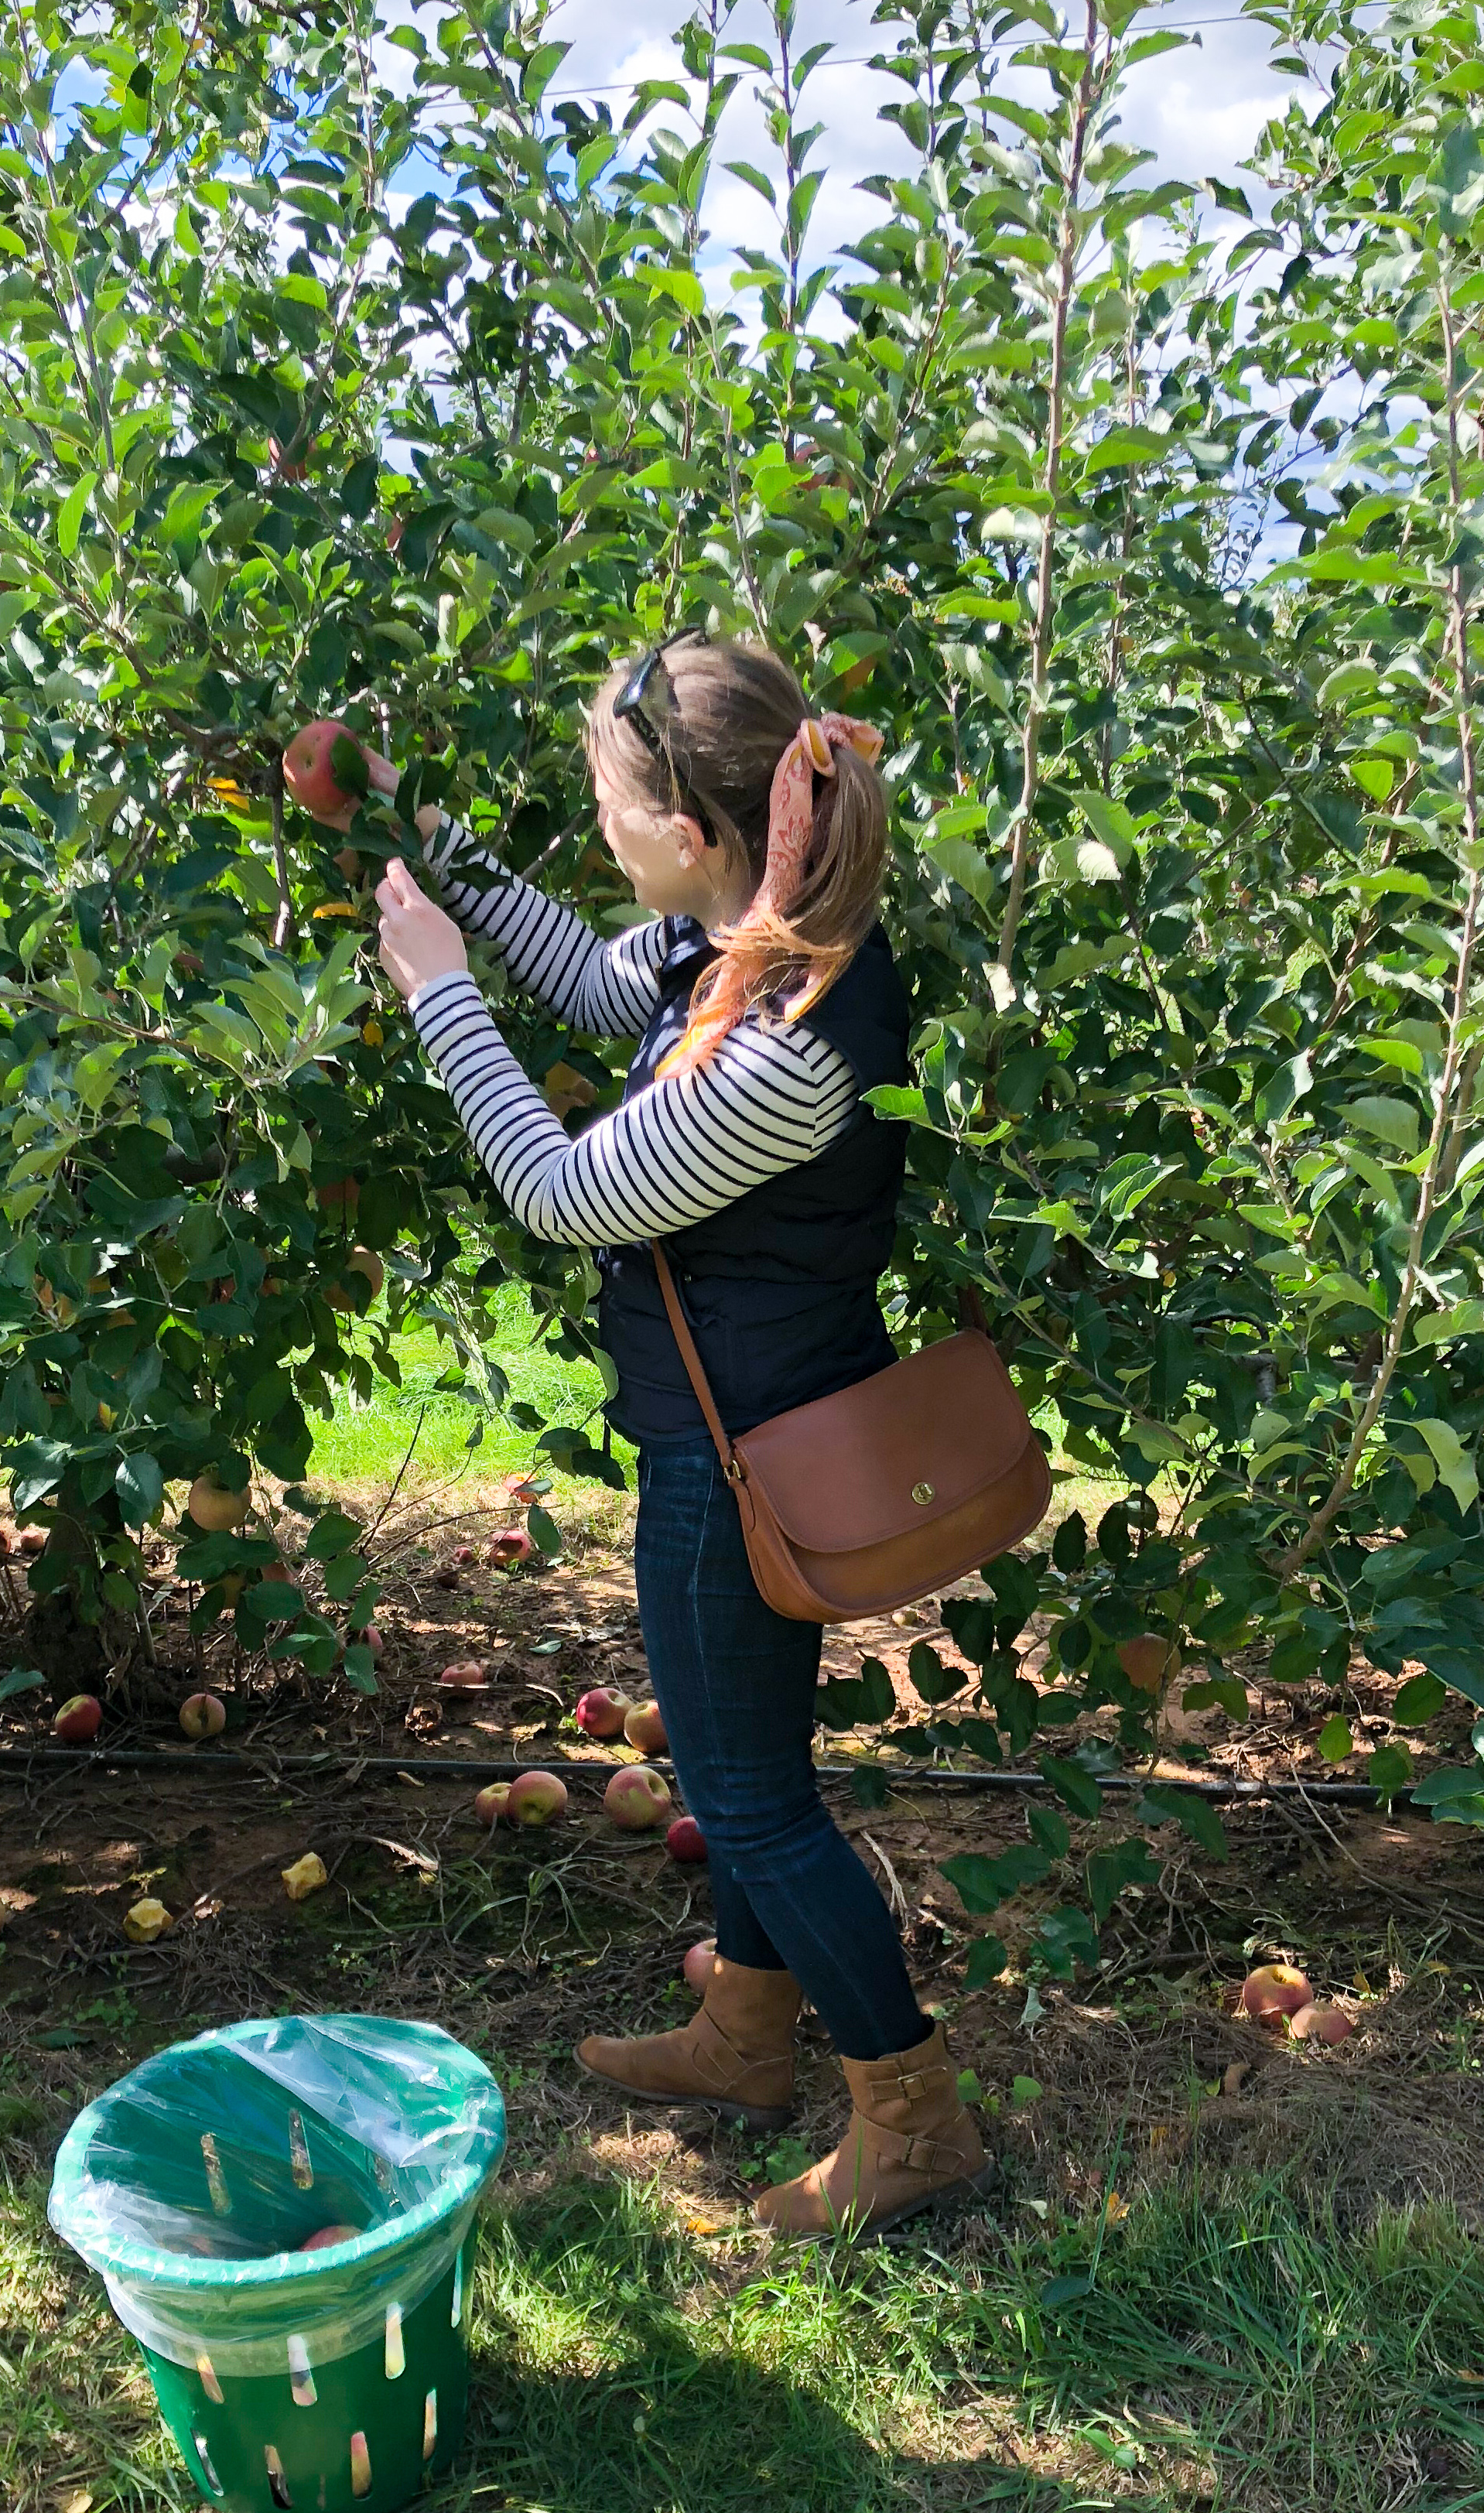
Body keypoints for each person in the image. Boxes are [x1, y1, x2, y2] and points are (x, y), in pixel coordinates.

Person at [320, 630, 996, 2241]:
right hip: (752, 1416)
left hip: (737, 1456)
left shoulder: (778, 1048)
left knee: (750, 1795)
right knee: (746, 1766)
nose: (597, 829)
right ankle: (743, 2035)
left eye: (607, 803)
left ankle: (911, 2113)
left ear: (688, 831)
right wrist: (427, 845)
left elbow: (566, 1192)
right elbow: (586, 968)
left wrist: (436, 999)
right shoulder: (750, 942)